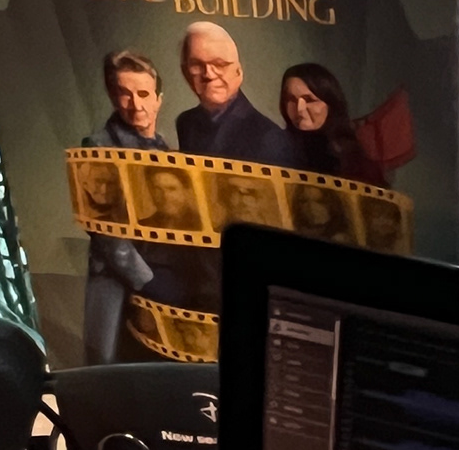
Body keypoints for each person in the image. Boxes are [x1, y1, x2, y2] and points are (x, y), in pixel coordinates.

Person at [78, 49, 162, 365]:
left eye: (143, 94)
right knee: (112, 371)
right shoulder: (98, 146)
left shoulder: (165, 148)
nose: (136, 104)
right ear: (113, 97)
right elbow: (106, 233)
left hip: (160, 282)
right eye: (125, 94)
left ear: (159, 99)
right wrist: (149, 281)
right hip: (119, 282)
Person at [174, 24, 291, 160]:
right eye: (197, 65)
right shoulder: (186, 122)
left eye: (219, 64)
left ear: (238, 73)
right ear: (185, 73)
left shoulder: (269, 137)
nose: (209, 74)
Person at [278, 61, 386, 183]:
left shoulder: (358, 164)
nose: (299, 109)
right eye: (291, 99)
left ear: (330, 104)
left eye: (310, 100)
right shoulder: (277, 150)